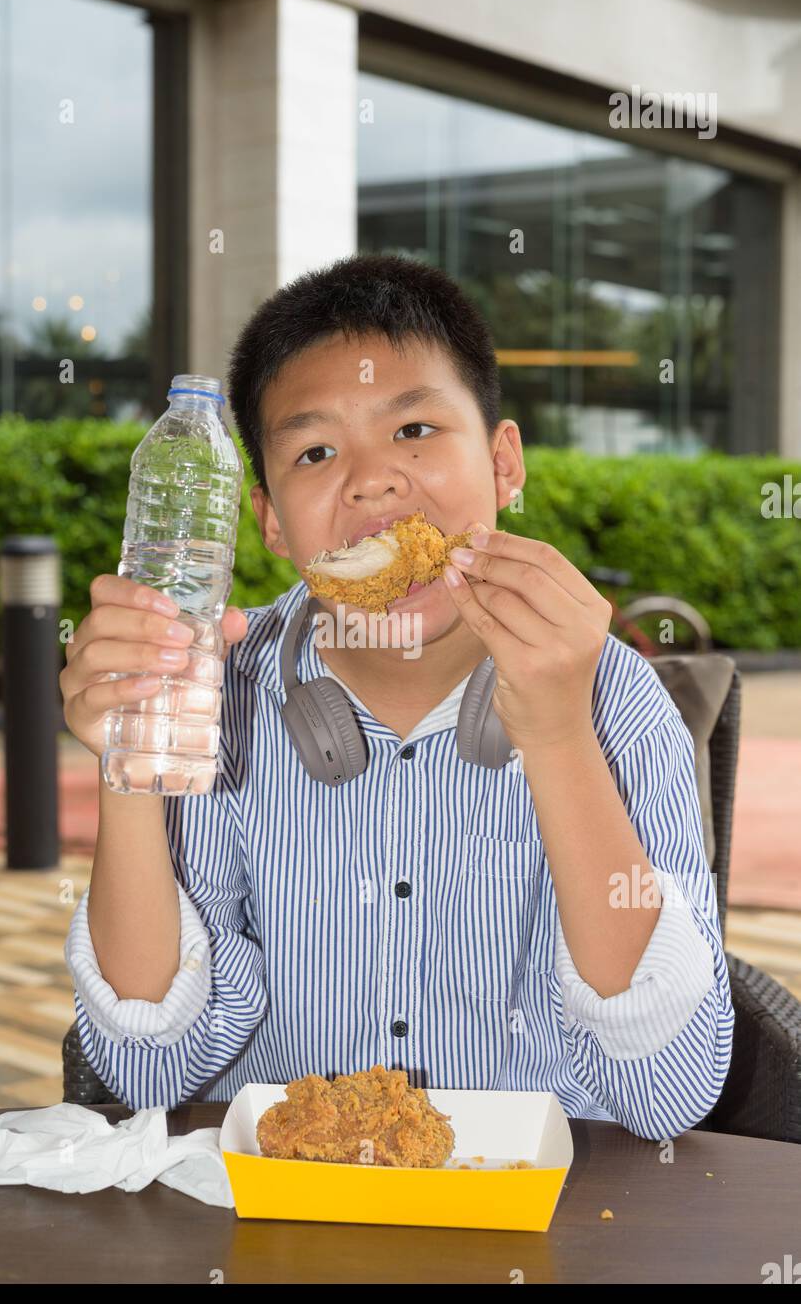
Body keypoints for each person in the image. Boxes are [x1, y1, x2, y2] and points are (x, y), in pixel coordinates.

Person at [61, 253, 733, 1140]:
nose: (372, 479)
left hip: (535, 1225)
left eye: (413, 429)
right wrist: (133, 750)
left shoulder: (616, 701)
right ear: (267, 521)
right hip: (283, 1217)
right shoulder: (212, 690)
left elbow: (664, 1095)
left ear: (503, 464)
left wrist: (562, 735)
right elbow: (150, 1070)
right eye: (316, 450)